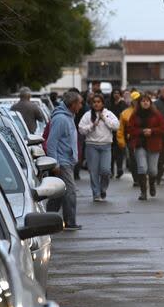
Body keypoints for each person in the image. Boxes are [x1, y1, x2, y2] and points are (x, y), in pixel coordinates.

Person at [46, 91, 83, 231]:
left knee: (59, 193)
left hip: (67, 160)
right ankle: (70, 221)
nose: (81, 106)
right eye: (79, 103)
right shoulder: (61, 119)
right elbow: (51, 142)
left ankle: (48, 219)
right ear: (72, 104)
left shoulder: (69, 116)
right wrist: (55, 163)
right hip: (62, 162)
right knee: (70, 191)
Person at [78, 94, 120, 202]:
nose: (96, 104)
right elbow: (81, 129)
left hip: (106, 145)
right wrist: (92, 126)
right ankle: (96, 193)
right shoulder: (87, 115)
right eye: (94, 102)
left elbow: (116, 126)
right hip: (91, 146)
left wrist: (104, 119)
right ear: (91, 104)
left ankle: (103, 189)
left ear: (102, 103)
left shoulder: (108, 114)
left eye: (98, 102)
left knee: (106, 170)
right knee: (93, 171)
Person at [128, 94, 164, 201]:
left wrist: (152, 131)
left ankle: (152, 184)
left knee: (153, 170)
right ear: (139, 103)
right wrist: (141, 131)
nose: (145, 103)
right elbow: (130, 129)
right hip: (140, 144)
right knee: (142, 168)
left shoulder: (157, 114)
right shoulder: (134, 115)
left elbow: (163, 128)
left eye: (147, 101)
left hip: (154, 144)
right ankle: (143, 192)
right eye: (143, 101)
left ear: (150, 103)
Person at [117, 91, 141, 185]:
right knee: (133, 159)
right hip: (131, 140)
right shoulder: (125, 113)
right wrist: (121, 141)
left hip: (145, 140)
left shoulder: (146, 111)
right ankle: (136, 179)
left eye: (138, 100)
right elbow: (120, 129)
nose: (136, 102)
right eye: (135, 100)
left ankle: (143, 177)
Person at [109, 89, 128, 178]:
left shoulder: (123, 104)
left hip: (120, 130)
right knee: (111, 152)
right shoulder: (109, 103)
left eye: (117, 93)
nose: (116, 95)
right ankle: (111, 170)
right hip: (110, 130)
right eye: (114, 93)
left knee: (120, 151)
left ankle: (119, 168)